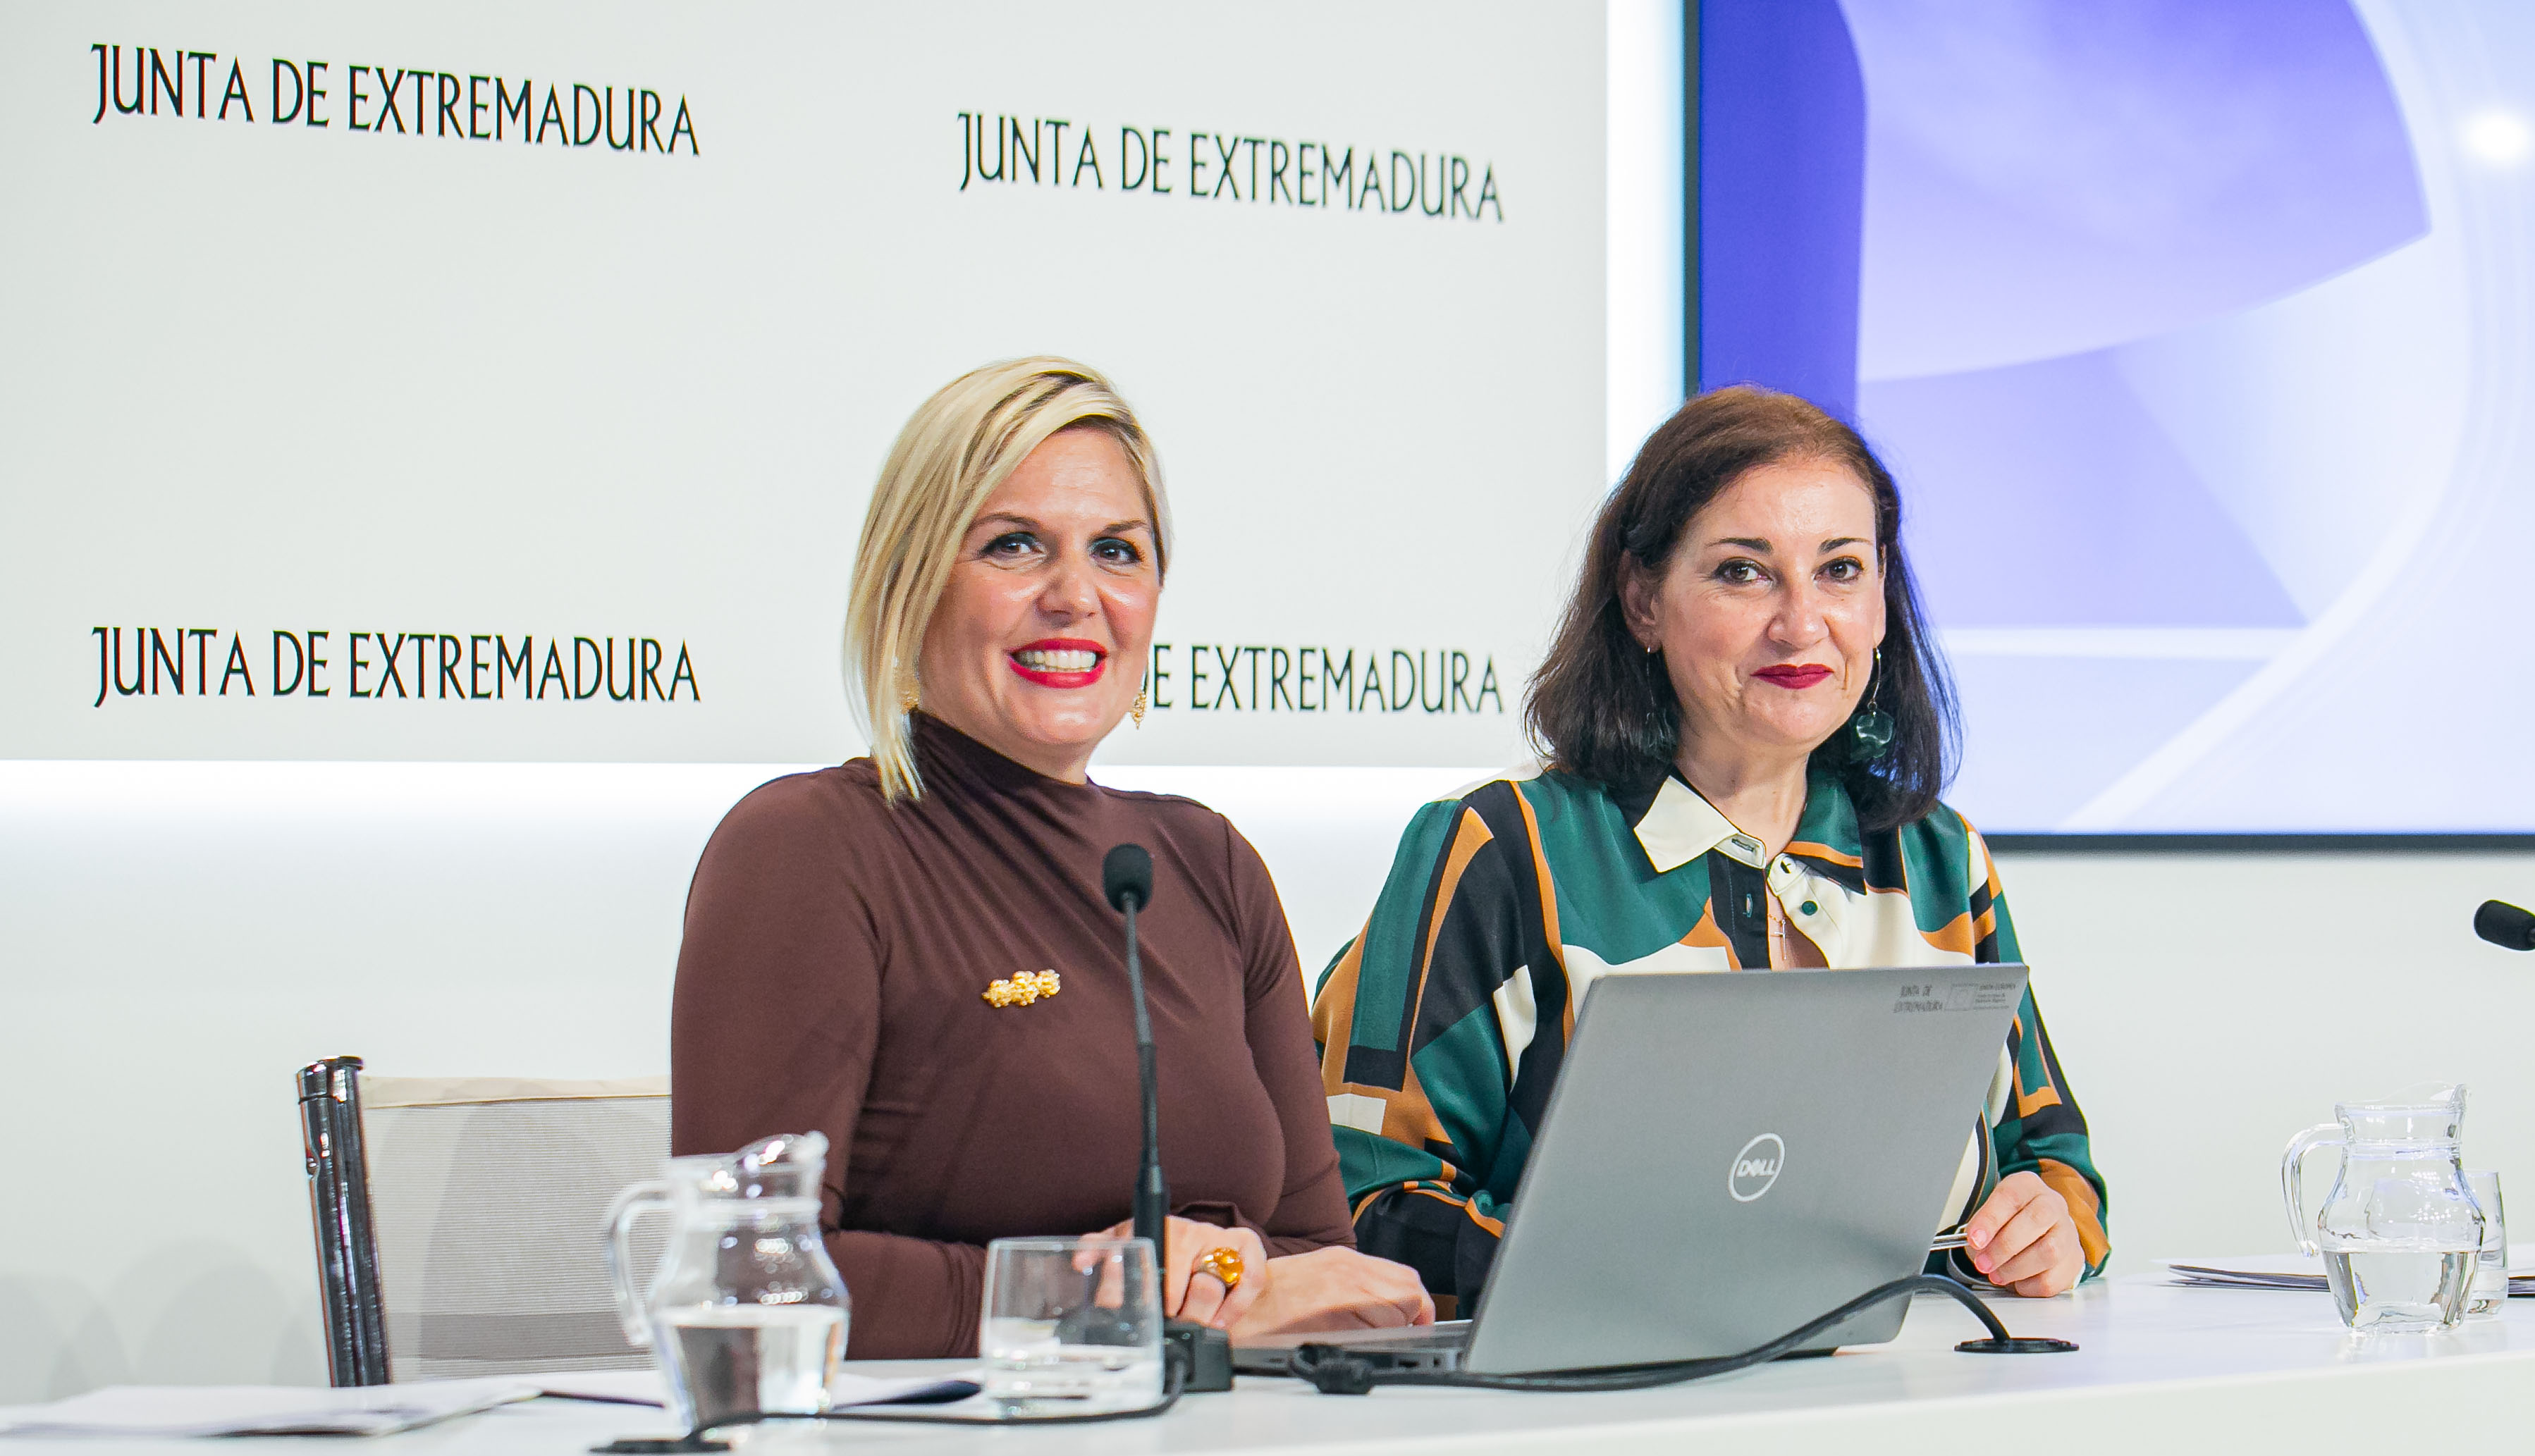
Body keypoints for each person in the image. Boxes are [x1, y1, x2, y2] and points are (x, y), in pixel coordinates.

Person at [672, 357, 1432, 1354]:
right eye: (1014, 545)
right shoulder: (809, 848)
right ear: (911, 581)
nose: (1076, 595)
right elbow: (751, 1273)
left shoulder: (1209, 862)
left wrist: (1222, 1278)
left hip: (1231, 1454)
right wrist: (1118, 1297)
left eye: (1118, 551)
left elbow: (1313, 1261)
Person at [1311, 385, 2106, 1314]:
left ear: (1884, 601)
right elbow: (1359, 1203)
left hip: (1904, 1412)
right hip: (1593, 1419)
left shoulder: (1938, 860)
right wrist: (1620, 1276)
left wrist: (2047, 1223)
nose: (1802, 623)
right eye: (1743, 572)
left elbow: (2056, 1165)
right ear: (1642, 601)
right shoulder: (1503, 849)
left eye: (1841, 570)